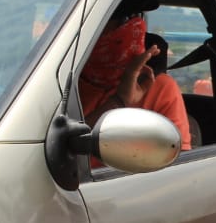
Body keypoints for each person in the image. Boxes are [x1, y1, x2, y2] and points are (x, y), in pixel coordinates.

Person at [78, 13, 191, 150]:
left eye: (126, 22)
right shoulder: (67, 81)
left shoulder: (159, 86)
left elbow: (174, 154)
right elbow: (65, 142)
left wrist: (120, 100)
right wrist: (119, 100)